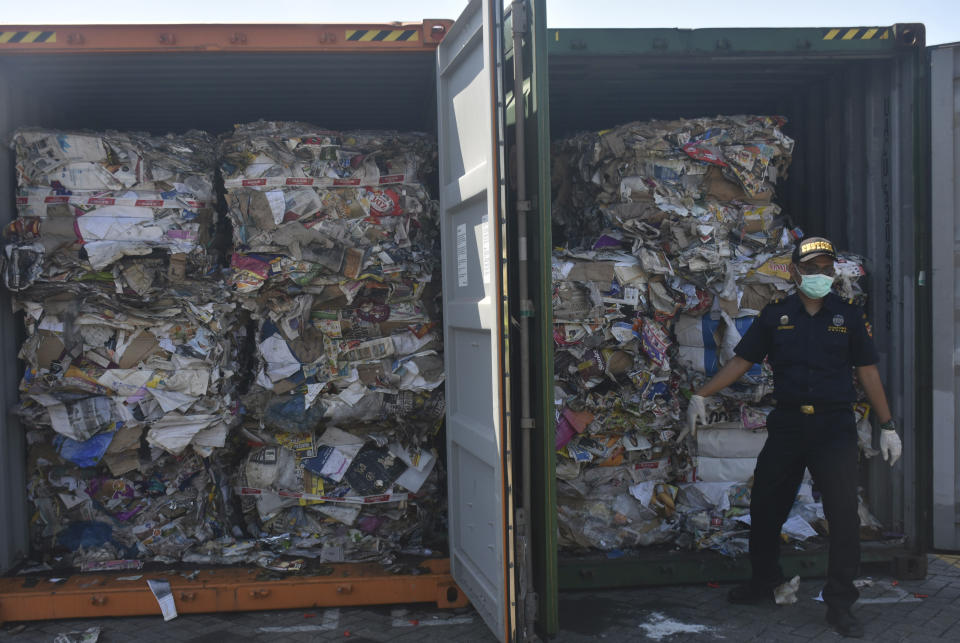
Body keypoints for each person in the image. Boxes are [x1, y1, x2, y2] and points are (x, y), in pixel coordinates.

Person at [680, 236, 902, 639]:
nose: (820, 274)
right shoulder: (776, 315)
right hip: (787, 425)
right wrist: (702, 394)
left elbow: (867, 372)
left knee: (843, 518)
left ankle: (839, 603)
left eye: (826, 267)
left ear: (834, 271)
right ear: (796, 272)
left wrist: (887, 425)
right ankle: (764, 581)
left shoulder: (848, 316)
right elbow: (742, 361)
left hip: (834, 429)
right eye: (812, 268)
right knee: (766, 506)